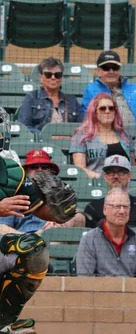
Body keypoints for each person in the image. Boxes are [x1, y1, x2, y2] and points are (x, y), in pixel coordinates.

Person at [0, 114, 77, 332]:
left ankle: (2, 321)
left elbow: (40, 207)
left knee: (33, 249)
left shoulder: (8, 170)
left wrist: (58, 206)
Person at [0, 149, 84, 236]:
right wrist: (32, 237)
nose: (39, 170)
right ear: (25, 172)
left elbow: (80, 217)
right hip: (23, 241)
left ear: (52, 171)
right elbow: (1, 227)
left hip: (55, 238)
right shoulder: (14, 192)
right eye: (34, 167)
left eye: (44, 166)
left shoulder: (60, 190)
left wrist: (62, 220)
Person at [76, 188, 136, 277]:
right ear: (105, 209)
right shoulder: (89, 240)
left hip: (130, 290)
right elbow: (84, 280)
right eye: (117, 207)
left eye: (126, 207)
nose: (122, 211)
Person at [71, 155, 136, 228]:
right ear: (105, 176)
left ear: (129, 176)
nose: (116, 176)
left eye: (121, 172)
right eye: (111, 172)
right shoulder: (93, 207)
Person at [82, 50, 136, 125]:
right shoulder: (91, 89)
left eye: (115, 67)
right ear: (98, 71)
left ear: (119, 70)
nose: (111, 71)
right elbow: (88, 116)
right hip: (107, 135)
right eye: (106, 67)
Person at [70, 93, 134, 179]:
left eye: (111, 108)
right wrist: (103, 178)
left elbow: (133, 166)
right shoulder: (81, 136)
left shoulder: (124, 135)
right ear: (94, 112)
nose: (107, 111)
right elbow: (80, 169)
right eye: (102, 108)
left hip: (125, 185)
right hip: (95, 185)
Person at [18, 57, 83, 133]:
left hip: (67, 143)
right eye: (48, 75)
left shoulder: (72, 100)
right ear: (41, 78)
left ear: (61, 77)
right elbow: (24, 127)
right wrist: (45, 136)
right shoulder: (32, 98)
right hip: (41, 143)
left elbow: (82, 126)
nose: (53, 78)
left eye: (57, 75)